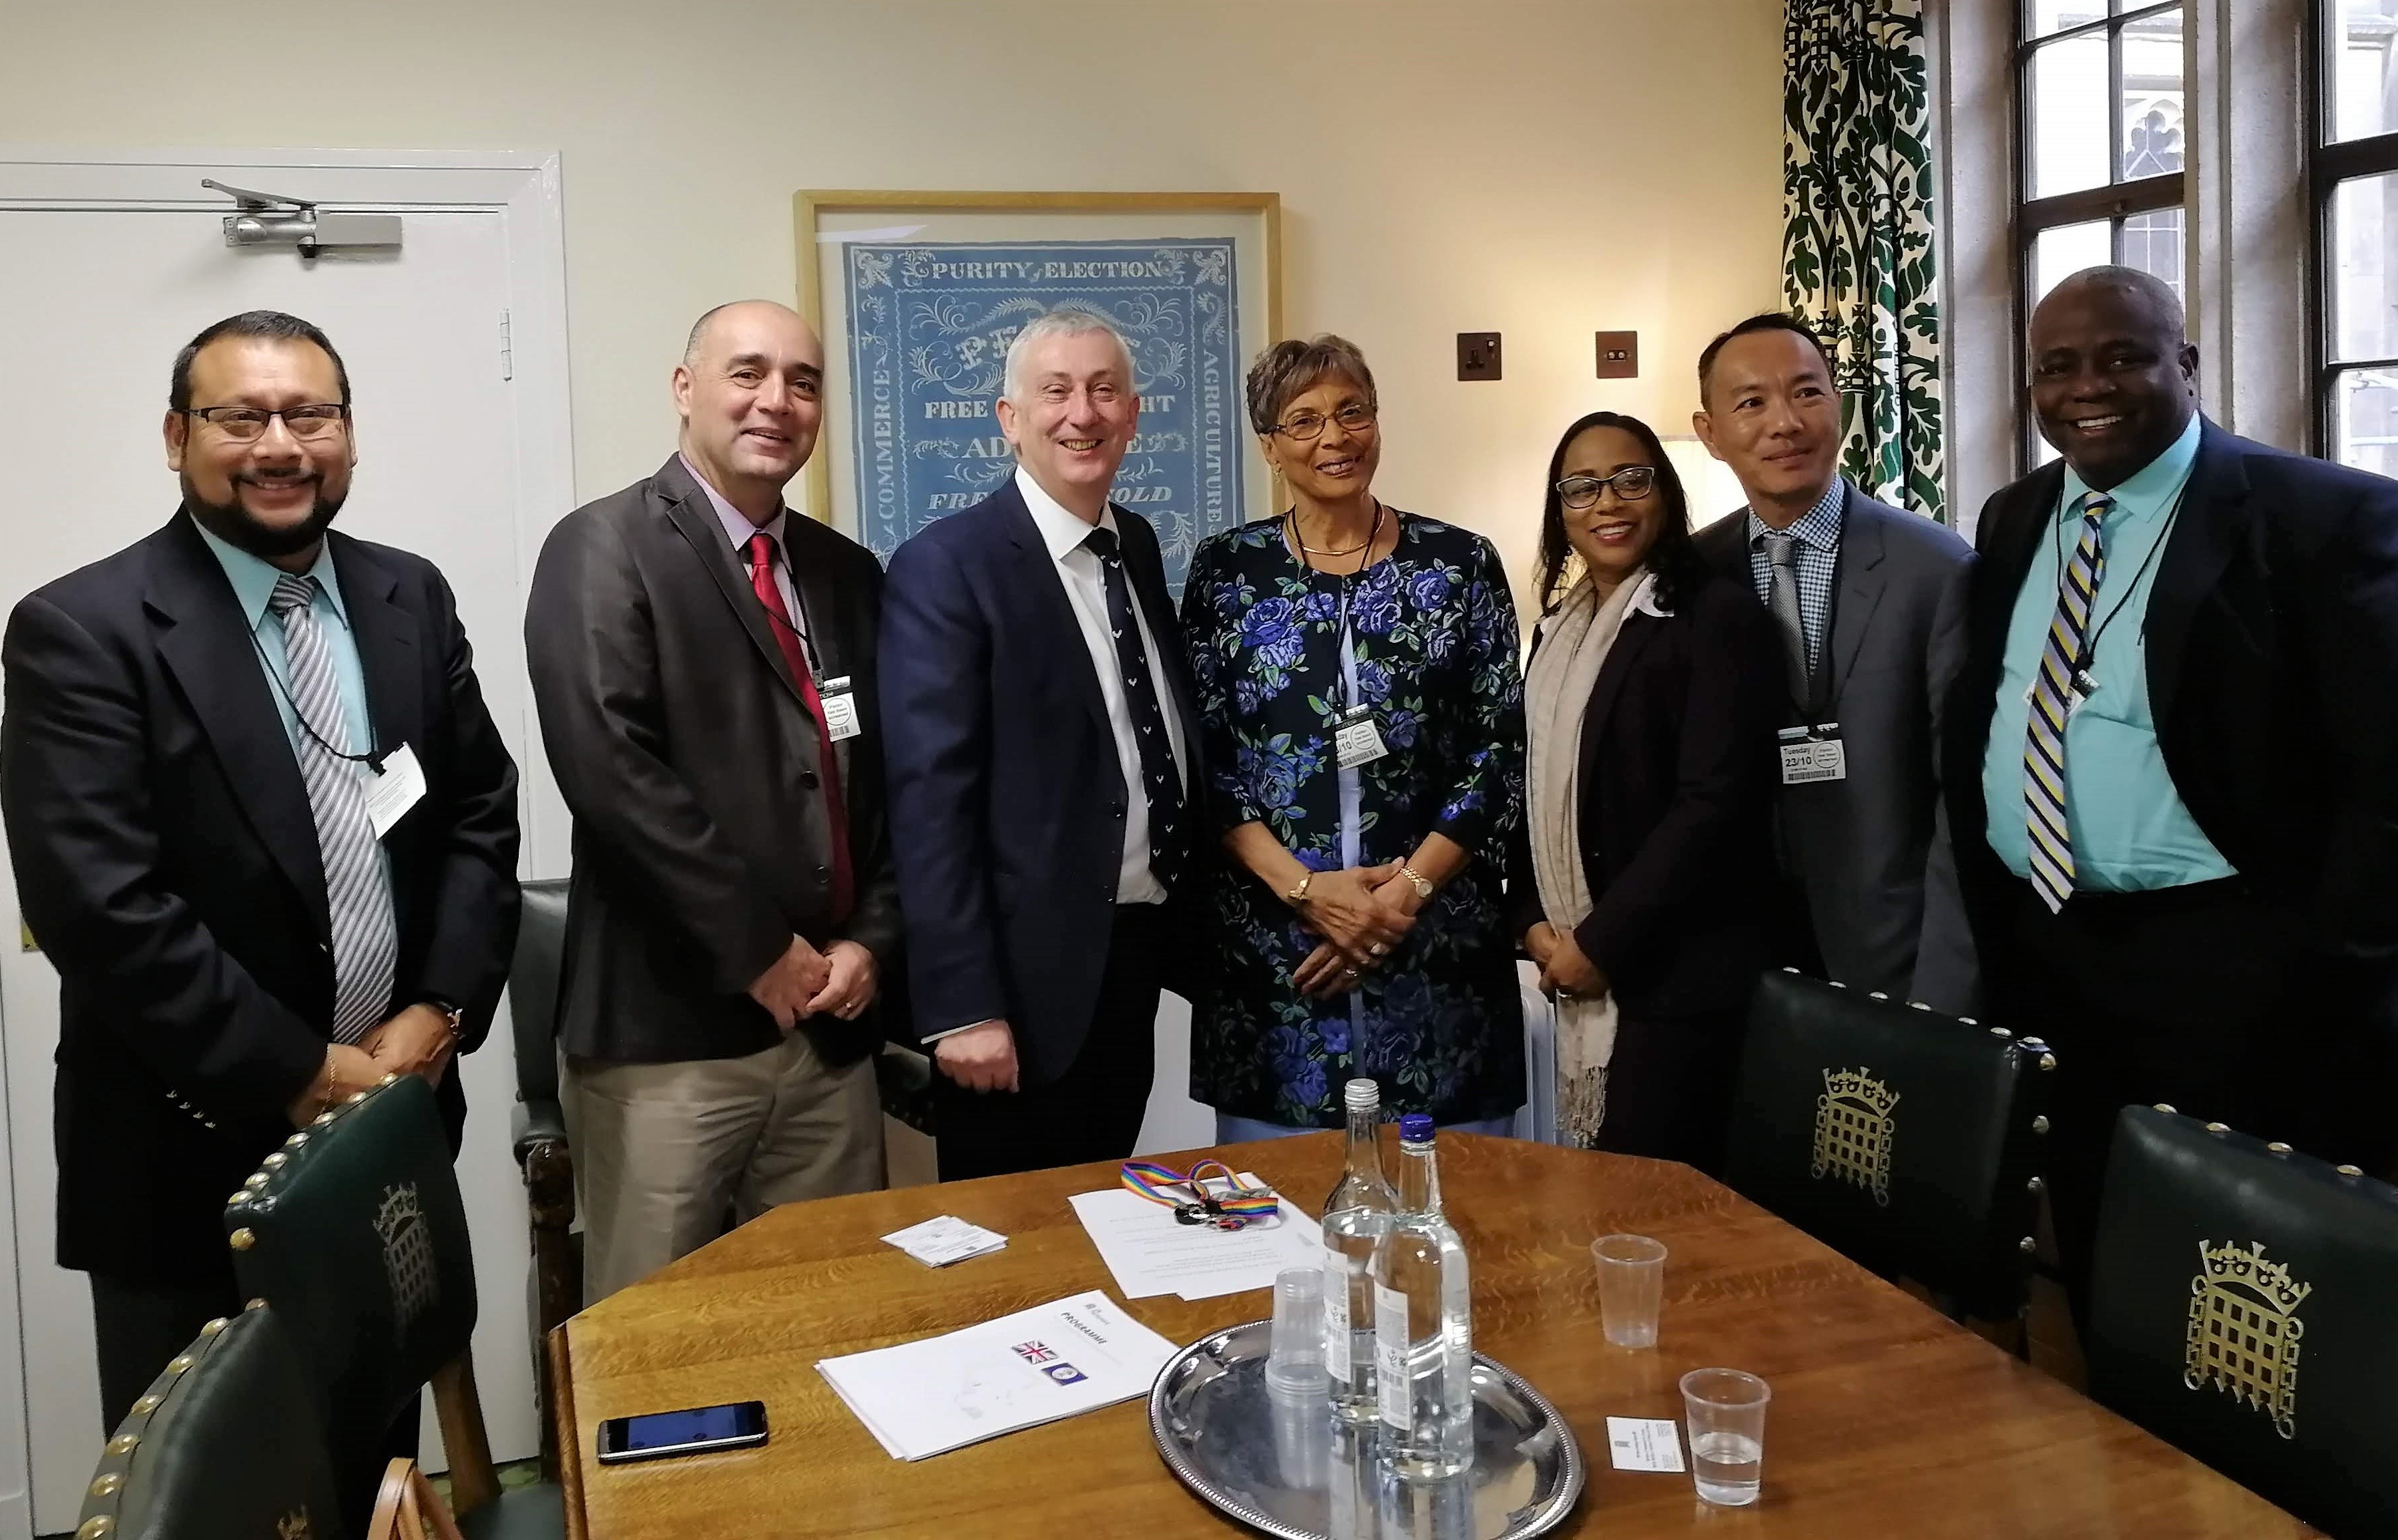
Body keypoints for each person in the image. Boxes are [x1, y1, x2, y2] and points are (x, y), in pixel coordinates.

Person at [0, 312, 520, 1469]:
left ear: (348, 436)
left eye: (311, 415)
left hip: (391, 1124)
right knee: (219, 1490)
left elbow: (480, 814)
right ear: (177, 437)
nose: (280, 444)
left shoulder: (407, 597)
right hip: (187, 1161)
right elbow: (100, 907)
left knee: (372, 1449)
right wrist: (304, 1070)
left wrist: (438, 1011)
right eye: (242, 417)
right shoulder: (81, 630)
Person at [1948, 266, 2398, 1308]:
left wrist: (2322, 971)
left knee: (2243, 1285)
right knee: (2107, 1259)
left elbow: (2385, 785)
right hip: (2052, 952)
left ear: (2185, 366)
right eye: (2056, 368)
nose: (2086, 387)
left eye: (2120, 357)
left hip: (2235, 970)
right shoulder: (2015, 516)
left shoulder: (2320, 518)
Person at [525, 300, 897, 1303]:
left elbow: (892, 784)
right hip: (668, 1040)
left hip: (827, 1028)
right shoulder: (601, 548)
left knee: (830, 1311)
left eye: (803, 380)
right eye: (748, 372)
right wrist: (762, 952)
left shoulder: (847, 573)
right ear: (685, 388)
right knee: (658, 1337)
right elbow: (614, 774)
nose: (776, 400)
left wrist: (871, 937)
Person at [880, 308, 1203, 1180]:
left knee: (1102, 1226)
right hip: (1013, 994)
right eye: (1055, 391)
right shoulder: (947, 565)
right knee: (1015, 1264)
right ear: (1009, 418)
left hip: (1125, 962)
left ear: (1134, 413)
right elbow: (927, 801)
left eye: (1104, 390)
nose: (1082, 414)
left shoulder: (1131, 542)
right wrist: (963, 1006)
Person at [1180, 335, 1526, 1139]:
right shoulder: (1227, 573)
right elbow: (1208, 759)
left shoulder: (1459, 564)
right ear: (1269, 446)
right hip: (1282, 962)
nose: (1333, 438)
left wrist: (1400, 898)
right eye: (1302, 421)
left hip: (1436, 947)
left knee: (1456, 1226)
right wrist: (1308, 894)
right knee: (1283, 1230)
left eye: (1351, 412)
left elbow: (1498, 748)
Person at [1507, 411, 1782, 1170]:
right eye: (1582, 488)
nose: (1608, 503)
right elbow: (1532, 787)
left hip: (1678, 981)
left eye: (1631, 479)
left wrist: (1600, 943)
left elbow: (1712, 806)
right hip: (1577, 960)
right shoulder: (1557, 629)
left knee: (1660, 1214)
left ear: (1663, 493)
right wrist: (1531, 919)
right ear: (1558, 513)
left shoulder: (1714, 617)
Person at [1691, 312, 1979, 1014]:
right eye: (1751, 402)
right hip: (1736, 953)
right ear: (1709, 433)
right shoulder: (1692, 576)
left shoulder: (1935, 570)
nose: (1784, 423)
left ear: (1840, 406)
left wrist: (1944, 990)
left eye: (1807, 393)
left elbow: (1963, 803)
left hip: (1893, 949)